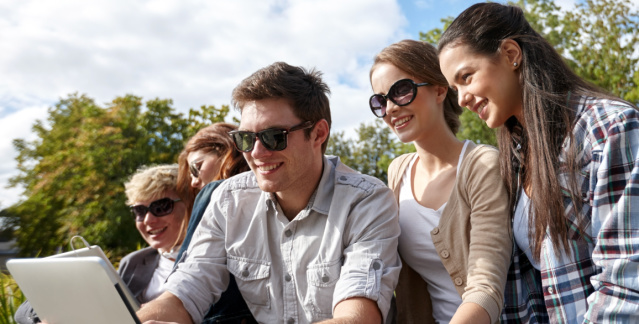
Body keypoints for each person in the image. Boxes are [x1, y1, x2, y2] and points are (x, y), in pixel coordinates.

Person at [137, 61, 401, 324]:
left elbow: (358, 318)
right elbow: (184, 292)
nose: (256, 153)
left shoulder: (367, 201)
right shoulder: (229, 200)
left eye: (274, 136)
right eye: (245, 139)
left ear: (318, 134)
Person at [438, 3, 639, 323]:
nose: (461, 98)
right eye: (454, 88)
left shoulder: (607, 129)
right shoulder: (516, 157)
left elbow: (627, 284)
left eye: (466, 77)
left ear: (510, 53)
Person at [369, 39, 511, 324]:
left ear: (439, 89)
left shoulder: (482, 164)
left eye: (401, 91)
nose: (390, 109)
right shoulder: (398, 171)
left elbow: (487, 285)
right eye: (380, 100)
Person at [15, 164, 189, 324]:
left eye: (161, 207)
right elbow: (25, 311)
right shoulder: (135, 261)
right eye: (139, 211)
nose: (148, 220)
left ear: (190, 205)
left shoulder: (209, 260)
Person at [175, 122, 254, 324]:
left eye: (196, 167)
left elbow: (181, 284)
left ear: (226, 151)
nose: (194, 182)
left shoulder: (215, 192)